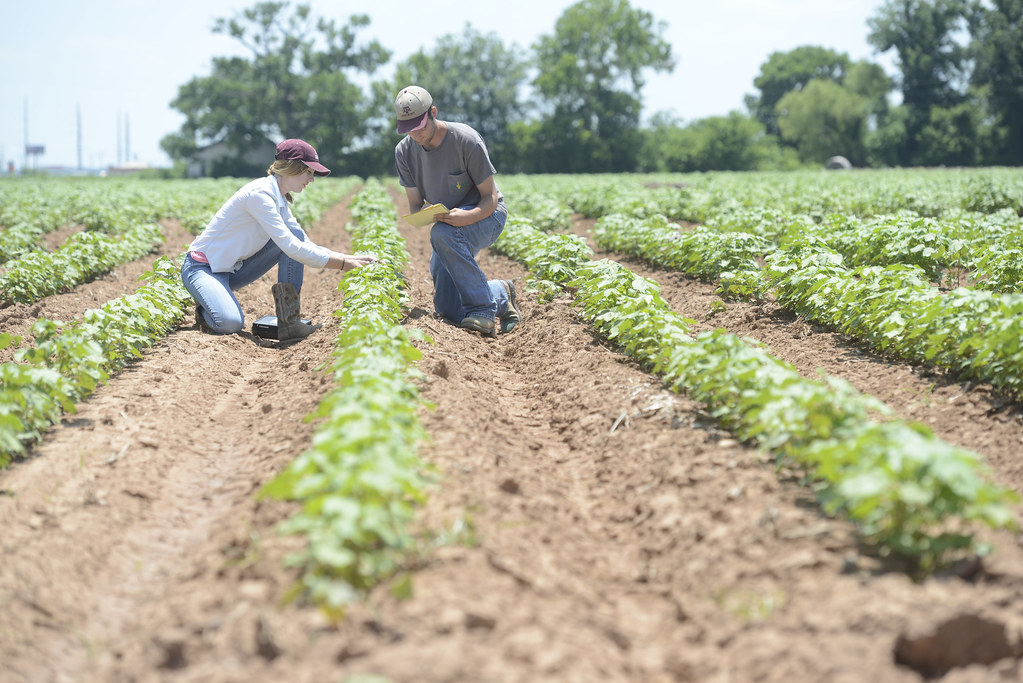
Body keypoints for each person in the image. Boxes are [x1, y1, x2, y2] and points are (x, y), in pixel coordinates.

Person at [180, 138, 375, 342]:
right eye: (309, 172)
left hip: (232, 269)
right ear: (292, 168)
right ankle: (206, 309)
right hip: (202, 268)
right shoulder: (260, 195)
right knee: (230, 323)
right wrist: (343, 264)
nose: (312, 179)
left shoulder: (280, 199)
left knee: (296, 236)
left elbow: (302, 243)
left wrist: (351, 257)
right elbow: (292, 248)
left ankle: (289, 322)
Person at [393, 85, 520, 338]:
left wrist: (468, 216)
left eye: (419, 125)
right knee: (448, 309)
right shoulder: (404, 152)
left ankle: (483, 310)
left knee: (442, 234)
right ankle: (500, 293)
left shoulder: (466, 140)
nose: (415, 134)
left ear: (433, 113)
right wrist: (424, 212)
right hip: (448, 223)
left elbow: (490, 198)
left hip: (487, 215)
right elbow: (415, 204)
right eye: (408, 129)